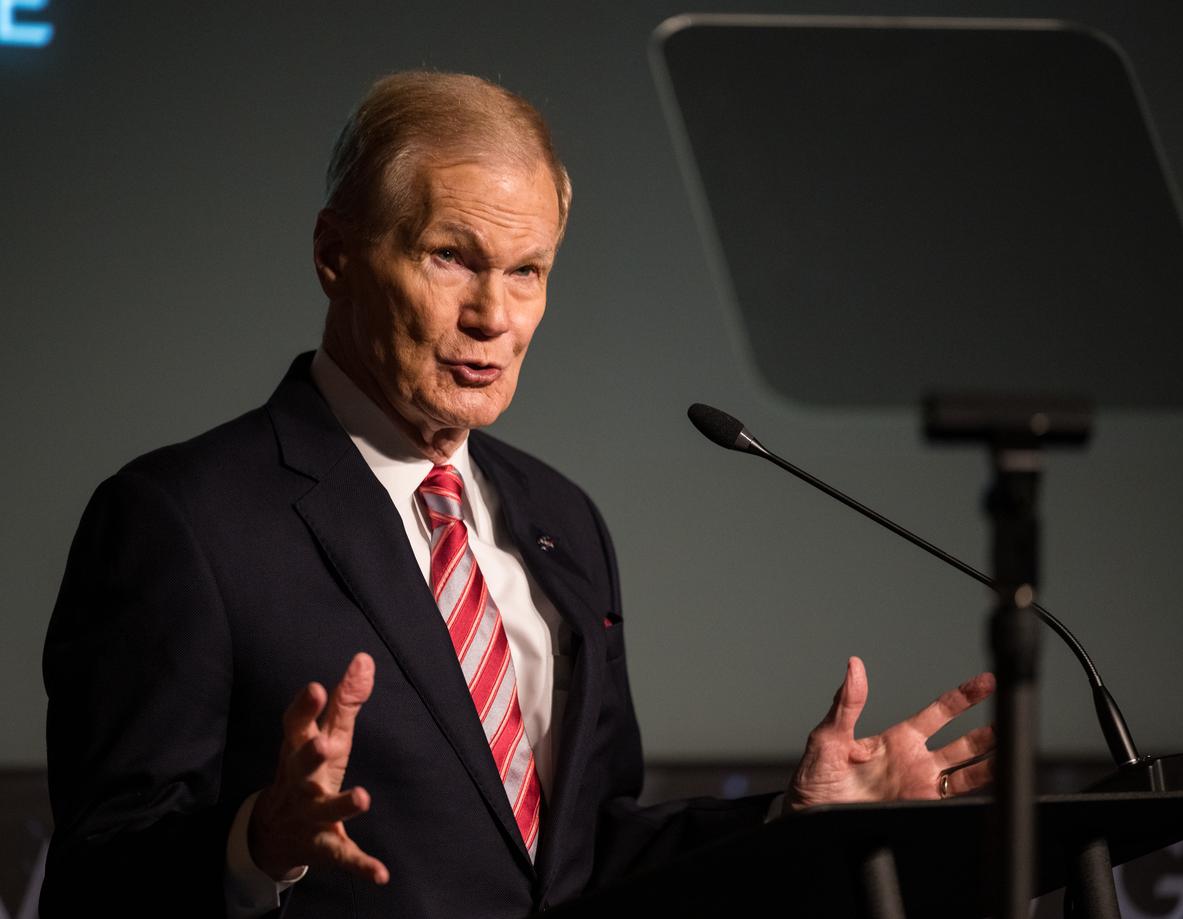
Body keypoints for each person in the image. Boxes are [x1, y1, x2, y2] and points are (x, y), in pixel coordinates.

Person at [40, 71, 995, 918]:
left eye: (527, 271)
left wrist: (799, 819)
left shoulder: (561, 520)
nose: (492, 316)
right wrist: (260, 843)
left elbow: (588, 855)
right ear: (337, 253)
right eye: (449, 256)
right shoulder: (182, 519)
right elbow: (100, 873)